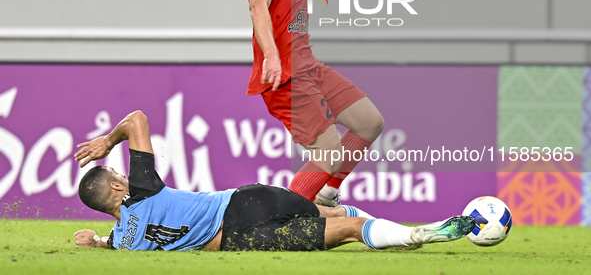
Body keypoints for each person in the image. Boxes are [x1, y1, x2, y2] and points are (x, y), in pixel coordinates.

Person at [74, 111, 475, 251]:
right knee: (333, 209)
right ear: (116, 187)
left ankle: (411, 236)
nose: (123, 174)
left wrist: (96, 242)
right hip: (248, 203)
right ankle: (399, 230)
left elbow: (122, 236)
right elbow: (137, 120)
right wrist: (108, 143)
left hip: (241, 243)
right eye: (117, 174)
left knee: (347, 229)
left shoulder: (128, 241)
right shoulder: (142, 190)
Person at [244, 0, 385, 207]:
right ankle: (282, 224)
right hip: (286, 76)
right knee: (328, 153)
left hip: (308, 66)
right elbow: (257, 5)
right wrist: (272, 57)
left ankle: (326, 193)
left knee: (369, 122)